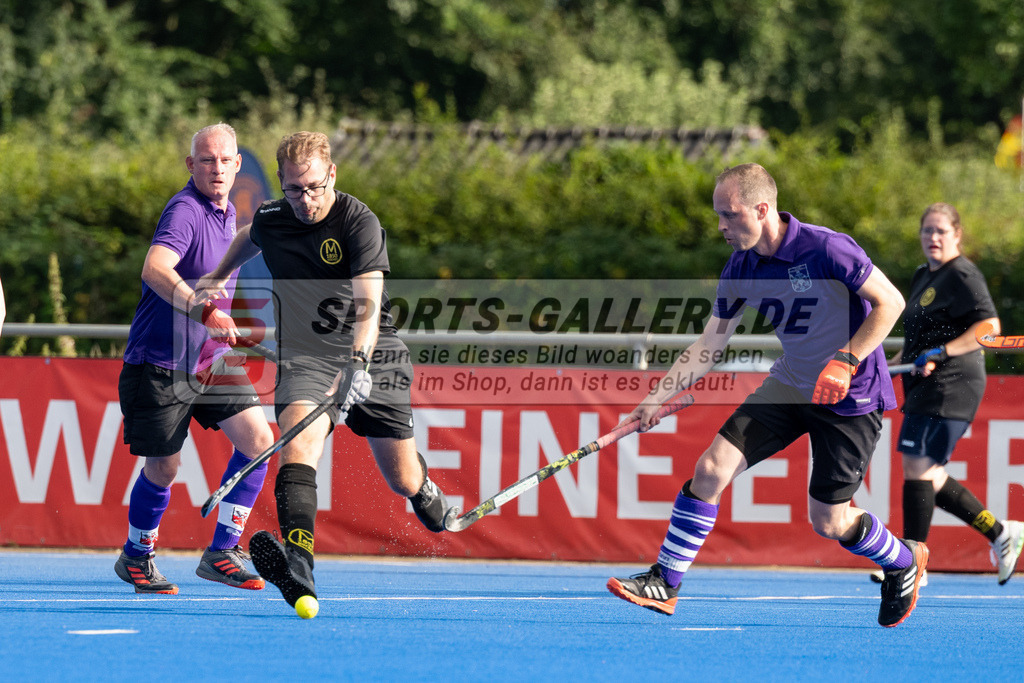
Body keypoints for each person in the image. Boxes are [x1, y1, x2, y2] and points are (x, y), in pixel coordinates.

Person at [606, 163, 927, 628]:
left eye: (729, 214)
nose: (721, 226)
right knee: (710, 469)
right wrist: (657, 397)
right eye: (718, 215)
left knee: (829, 522)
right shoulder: (740, 267)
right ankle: (665, 582)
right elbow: (711, 342)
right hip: (790, 384)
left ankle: (903, 560)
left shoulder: (825, 247)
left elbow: (891, 302)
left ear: (761, 209)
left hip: (849, 397)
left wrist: (847, 359)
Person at [196, 131, 452, 610]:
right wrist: (217, 275)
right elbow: (250, 236)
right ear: (281, 181)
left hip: (375, 352)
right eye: (294, 189)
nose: (305, 200)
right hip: (306, 357)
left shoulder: (358, 221)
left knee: (401, 478)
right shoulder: (274, 216)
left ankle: (424, 489)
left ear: (332, 174)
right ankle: (299, 562)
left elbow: (368, 304)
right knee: (298, 442)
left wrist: (358, 363)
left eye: (314, 187)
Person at [115, 123, 276, 594]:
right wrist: (205, 310)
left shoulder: (230, 213)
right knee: (164, 469)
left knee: (258, 440)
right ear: (191, 165)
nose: (217, 169)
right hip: (160, 363)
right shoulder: (185, 210)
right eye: (207, 160)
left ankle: (222, 550)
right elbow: (154, 268)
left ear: (238, 164)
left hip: (211, 362)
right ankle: (136, 555)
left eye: (225, 160)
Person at [877, 202, 1021, 585]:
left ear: (957, 234)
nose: (933, 237)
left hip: (954, 381)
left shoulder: (963, 274)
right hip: (924, 383)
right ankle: (1000, 533)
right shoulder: (922, 275)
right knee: (927, 472)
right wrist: (886, 364)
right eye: (928, 230)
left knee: (918, 468)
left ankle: (912, 563)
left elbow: (990, 327)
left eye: (941, 230)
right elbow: (917, 341)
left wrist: (943, 352)